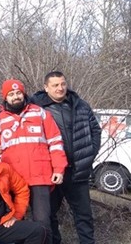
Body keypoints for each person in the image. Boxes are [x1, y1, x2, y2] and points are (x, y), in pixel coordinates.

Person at [0, 79, 67, 243]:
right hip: (13, 180)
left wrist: (59, 168)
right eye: (11, 94)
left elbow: (55, 142)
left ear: (23, 94)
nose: (15, 97)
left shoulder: (40, 113)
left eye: (18, 93)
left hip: (40, 177)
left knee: (43, 222)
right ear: (5, 97)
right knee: (15, 224)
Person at [32, 72, 101, 244]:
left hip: (77, 171)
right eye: (55, 85)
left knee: (84, 215)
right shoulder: (35, 107)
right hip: (51, 173)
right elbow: (12, 107)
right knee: (49, 215)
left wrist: (89, 155)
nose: (60, 88)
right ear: (46, 87)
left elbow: (95, 130)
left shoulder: (81, 105)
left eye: (63, 84)